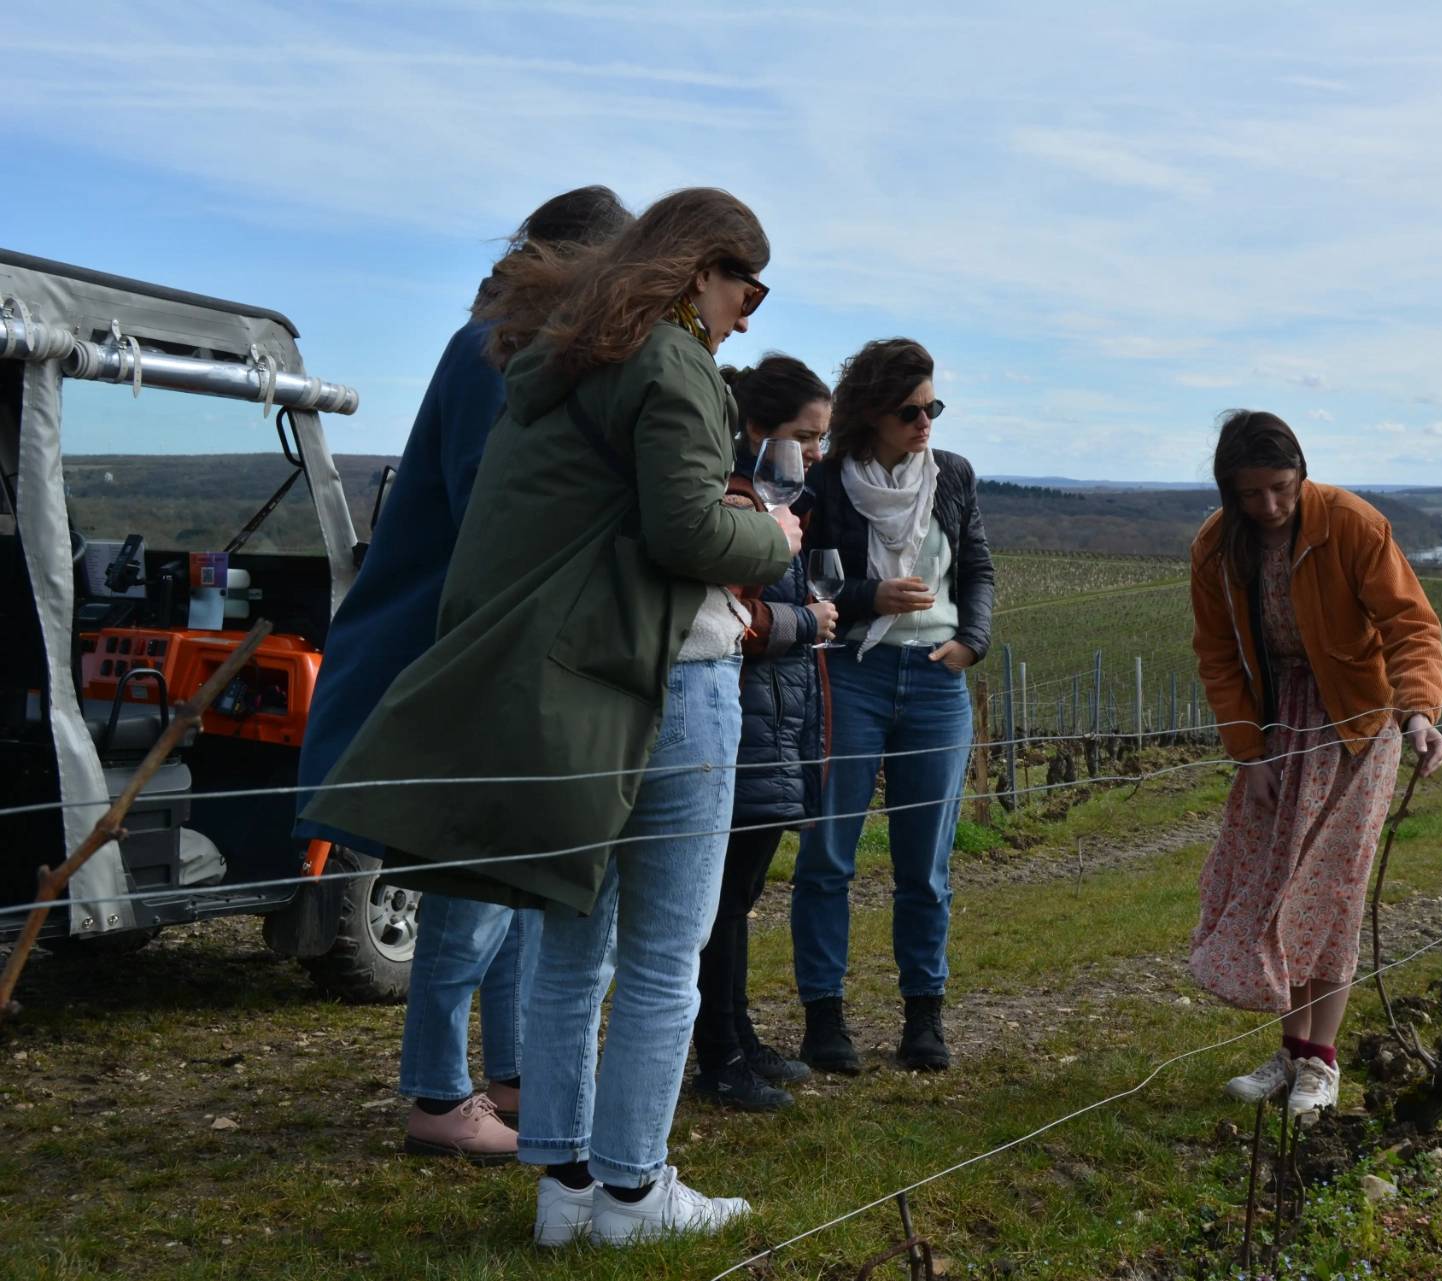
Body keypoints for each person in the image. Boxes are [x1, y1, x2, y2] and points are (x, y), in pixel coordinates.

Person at [301, 187, 798, 1247]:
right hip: (671, 676)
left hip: (574, 690)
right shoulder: (671, 362)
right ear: (699, 269)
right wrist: (776, 539)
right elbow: (685, 533)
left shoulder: (555, 360)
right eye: (745, 289)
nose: (746, 315)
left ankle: (566, 1188)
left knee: (574, 950)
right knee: (664, 954)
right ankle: (634, 1193)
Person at [293, 186, 630, 1163]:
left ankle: (512, 1074)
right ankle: (440, 1094)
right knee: (472, 879)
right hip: (460, 650)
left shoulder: (517, 343)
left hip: (486, 644)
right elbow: (501, 504)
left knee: (506, 870)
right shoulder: (494, 348)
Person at [1188, 410, 1442, 1121]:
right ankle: (1290, 1051)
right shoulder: (1215, 547)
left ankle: (1320, 1062)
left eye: (1282, 486)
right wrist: (1249, 753)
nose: (1270, 505)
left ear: (1302, 472)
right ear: (1229, 490)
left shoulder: (1353, 525)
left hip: (1357, 726)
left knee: (1330, 889)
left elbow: (1411, 625)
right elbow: (1217, 655)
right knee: (1276, 884)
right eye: (1251, 493)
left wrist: (1418, 712)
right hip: (1278, 728)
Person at [789, 338, 994, 1075]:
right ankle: (824, 1017)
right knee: (827, 855)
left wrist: (971, 640)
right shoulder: (826, 483)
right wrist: (868, 596)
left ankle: (924, 1017)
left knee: (926, 865)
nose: (925, 422)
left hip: (937, 680)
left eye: (933, 407)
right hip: (850, 674)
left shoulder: (953, 476)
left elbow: (977, 569)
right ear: (872, 412)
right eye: (910, 411)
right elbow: (800, 580)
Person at [690, 353, 834, 1112]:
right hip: (740, 723)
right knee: (718, 901)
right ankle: (718, 1056)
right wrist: (806, 621)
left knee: (739, 895)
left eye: (820, 438)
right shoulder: (735, 504)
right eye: (805, 437)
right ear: (757, 431)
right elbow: (724, 620)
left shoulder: (776, 505)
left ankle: (739, 1036)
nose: (816, 452)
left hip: (773, 724)